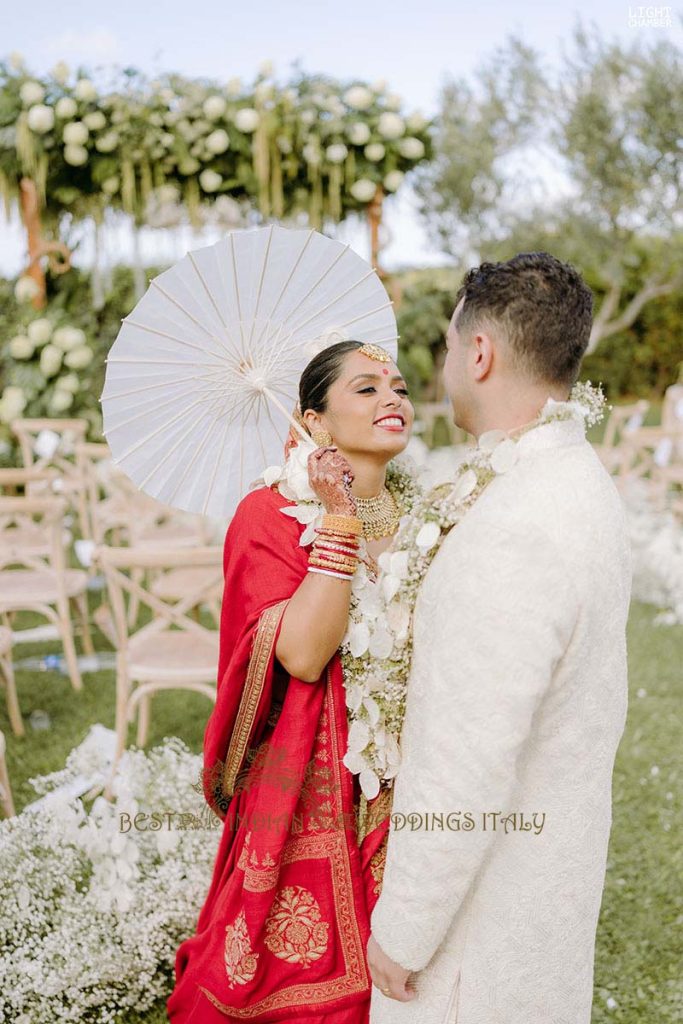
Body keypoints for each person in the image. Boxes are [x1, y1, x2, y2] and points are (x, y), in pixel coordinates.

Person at [366, 253, 632, 1023]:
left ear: (479, 354)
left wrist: (404, 931)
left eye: (449, 347)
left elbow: (467, 758)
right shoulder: (575, 479)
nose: (444, 365)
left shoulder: (514, 526)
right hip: (543, 879)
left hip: (477, 941)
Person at [167, 340, 415, 1023]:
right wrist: (336, 516)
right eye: (366, 389)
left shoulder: (423, 516)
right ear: (315, 423)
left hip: (415, 770)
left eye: (396, 385)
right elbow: (303, 655)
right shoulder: (267, 516)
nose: (392, 398)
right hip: (312, 782)